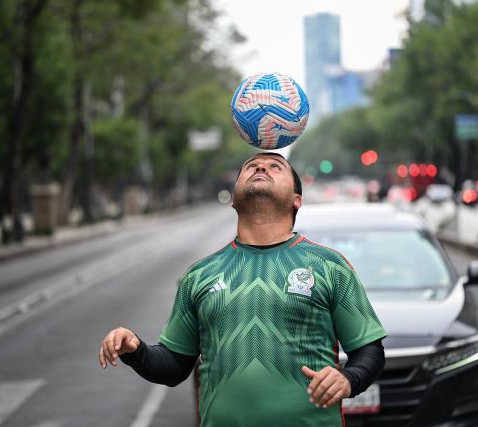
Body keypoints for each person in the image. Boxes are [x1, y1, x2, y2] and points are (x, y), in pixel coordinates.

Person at [99, 152, 387, 427]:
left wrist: (348, 379)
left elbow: (369, 351)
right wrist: (135, 349)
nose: (260, 168)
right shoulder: (200, 275)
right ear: (233, 198)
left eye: (275, 167)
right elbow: (174, 365)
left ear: (297, 200)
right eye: (251, 166)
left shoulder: (330, 266)